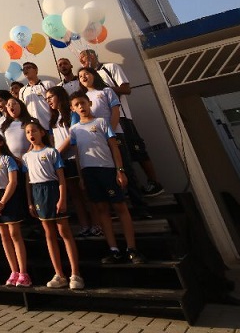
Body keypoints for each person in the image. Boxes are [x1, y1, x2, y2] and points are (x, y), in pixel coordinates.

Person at [70, 92, 146, 265]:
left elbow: (114, 147)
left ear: (89, 103)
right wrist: (81, 177)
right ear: (72, 109)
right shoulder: (74, 130)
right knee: (101, 209)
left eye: (83, 103)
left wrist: (120, 170)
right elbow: (77, 155)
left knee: (120, 206)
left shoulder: (102, 122)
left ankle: (132, 248)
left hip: (108, 170)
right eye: (77, 105)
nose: (81, 107)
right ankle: (113, 249)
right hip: (89, 173)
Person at [80, 48, 164, 196]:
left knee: (136, 149)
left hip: (122, 117)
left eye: (85, 57)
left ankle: (154, 182)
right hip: (103, 123)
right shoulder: (86, 82)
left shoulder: (110, 67)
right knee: (119, 157)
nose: (83, 61)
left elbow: (126, 89)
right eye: (80, 60)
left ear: (93, 55)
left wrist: (104, 89)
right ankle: (128, 189)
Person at [21, 121, 83, 290]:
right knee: (49, 234)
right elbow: (28, 182)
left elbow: (61, 178)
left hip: (52, 189)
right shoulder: (26, 157)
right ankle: (59, 274)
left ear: (42, 132)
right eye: (27, 132)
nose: (31, 134)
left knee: (64, 231)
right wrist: (30, 202)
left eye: (34, 130)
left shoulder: (51, 152)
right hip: (37, 192)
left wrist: (62, 198)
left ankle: (75, 273)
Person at [45, 85, 97, 238]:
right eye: (46, 99)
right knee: (75, 195)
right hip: (63, 162)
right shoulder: (53, 119)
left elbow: (72, 135)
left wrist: (57, 152)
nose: (48, 101)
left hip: (76, 157)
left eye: (50, 97)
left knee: (86, 193)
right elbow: (53, 140)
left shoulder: (71, 114)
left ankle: (96, 224)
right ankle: (84, 225)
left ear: (59, 96)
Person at [0, 131, 30, 287]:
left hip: (8, 197)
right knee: (4, 237)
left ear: (0, 142)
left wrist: (2, 201)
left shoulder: (8, 159)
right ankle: (13, 271)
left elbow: (13, 182)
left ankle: (23, 273)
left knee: (15, 234)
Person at [19, 61, 56, 130]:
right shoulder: (22, 91)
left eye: (28, 68)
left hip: (50, 125)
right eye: (23, 69)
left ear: (36, 70)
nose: (25, 70)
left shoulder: (47, 84)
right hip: (34, 129)